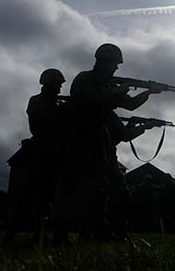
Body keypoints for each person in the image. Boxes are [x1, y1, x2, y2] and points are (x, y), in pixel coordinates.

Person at [65, 43, 163, 240]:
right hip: (82, 138)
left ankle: (115, 231)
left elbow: (130, 105)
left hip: (103, 139)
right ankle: (90, 232)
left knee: (118, 188)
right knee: (92, 189)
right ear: (102, 62)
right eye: (114, 64)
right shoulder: (85, 79)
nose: (116, 68)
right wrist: (121, 89)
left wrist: (148, 92)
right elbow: (89, 99)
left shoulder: (110, 85)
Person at [4, 69, 69, 244]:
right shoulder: (37, 102)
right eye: (56, 85)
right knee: (27, 196)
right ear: (47, 85)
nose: (59, 89)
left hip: (53, 154)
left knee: (48, 197)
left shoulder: (54, 103)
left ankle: (38, 236)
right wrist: (61, 110)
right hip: (40, 152)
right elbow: (44, 121)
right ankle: (10, 234)